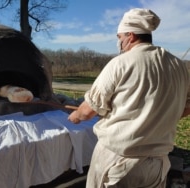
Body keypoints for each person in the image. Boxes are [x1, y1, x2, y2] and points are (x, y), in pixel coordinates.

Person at [68, 8, 190, 188]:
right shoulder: (179, 66)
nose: (119, 42)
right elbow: (187, 106)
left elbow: (87, 112)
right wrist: (160, 117)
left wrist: (76, 115)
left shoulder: (120, 63)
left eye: (120, 37)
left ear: (130, 35)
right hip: (158, 164)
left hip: (118, 162)